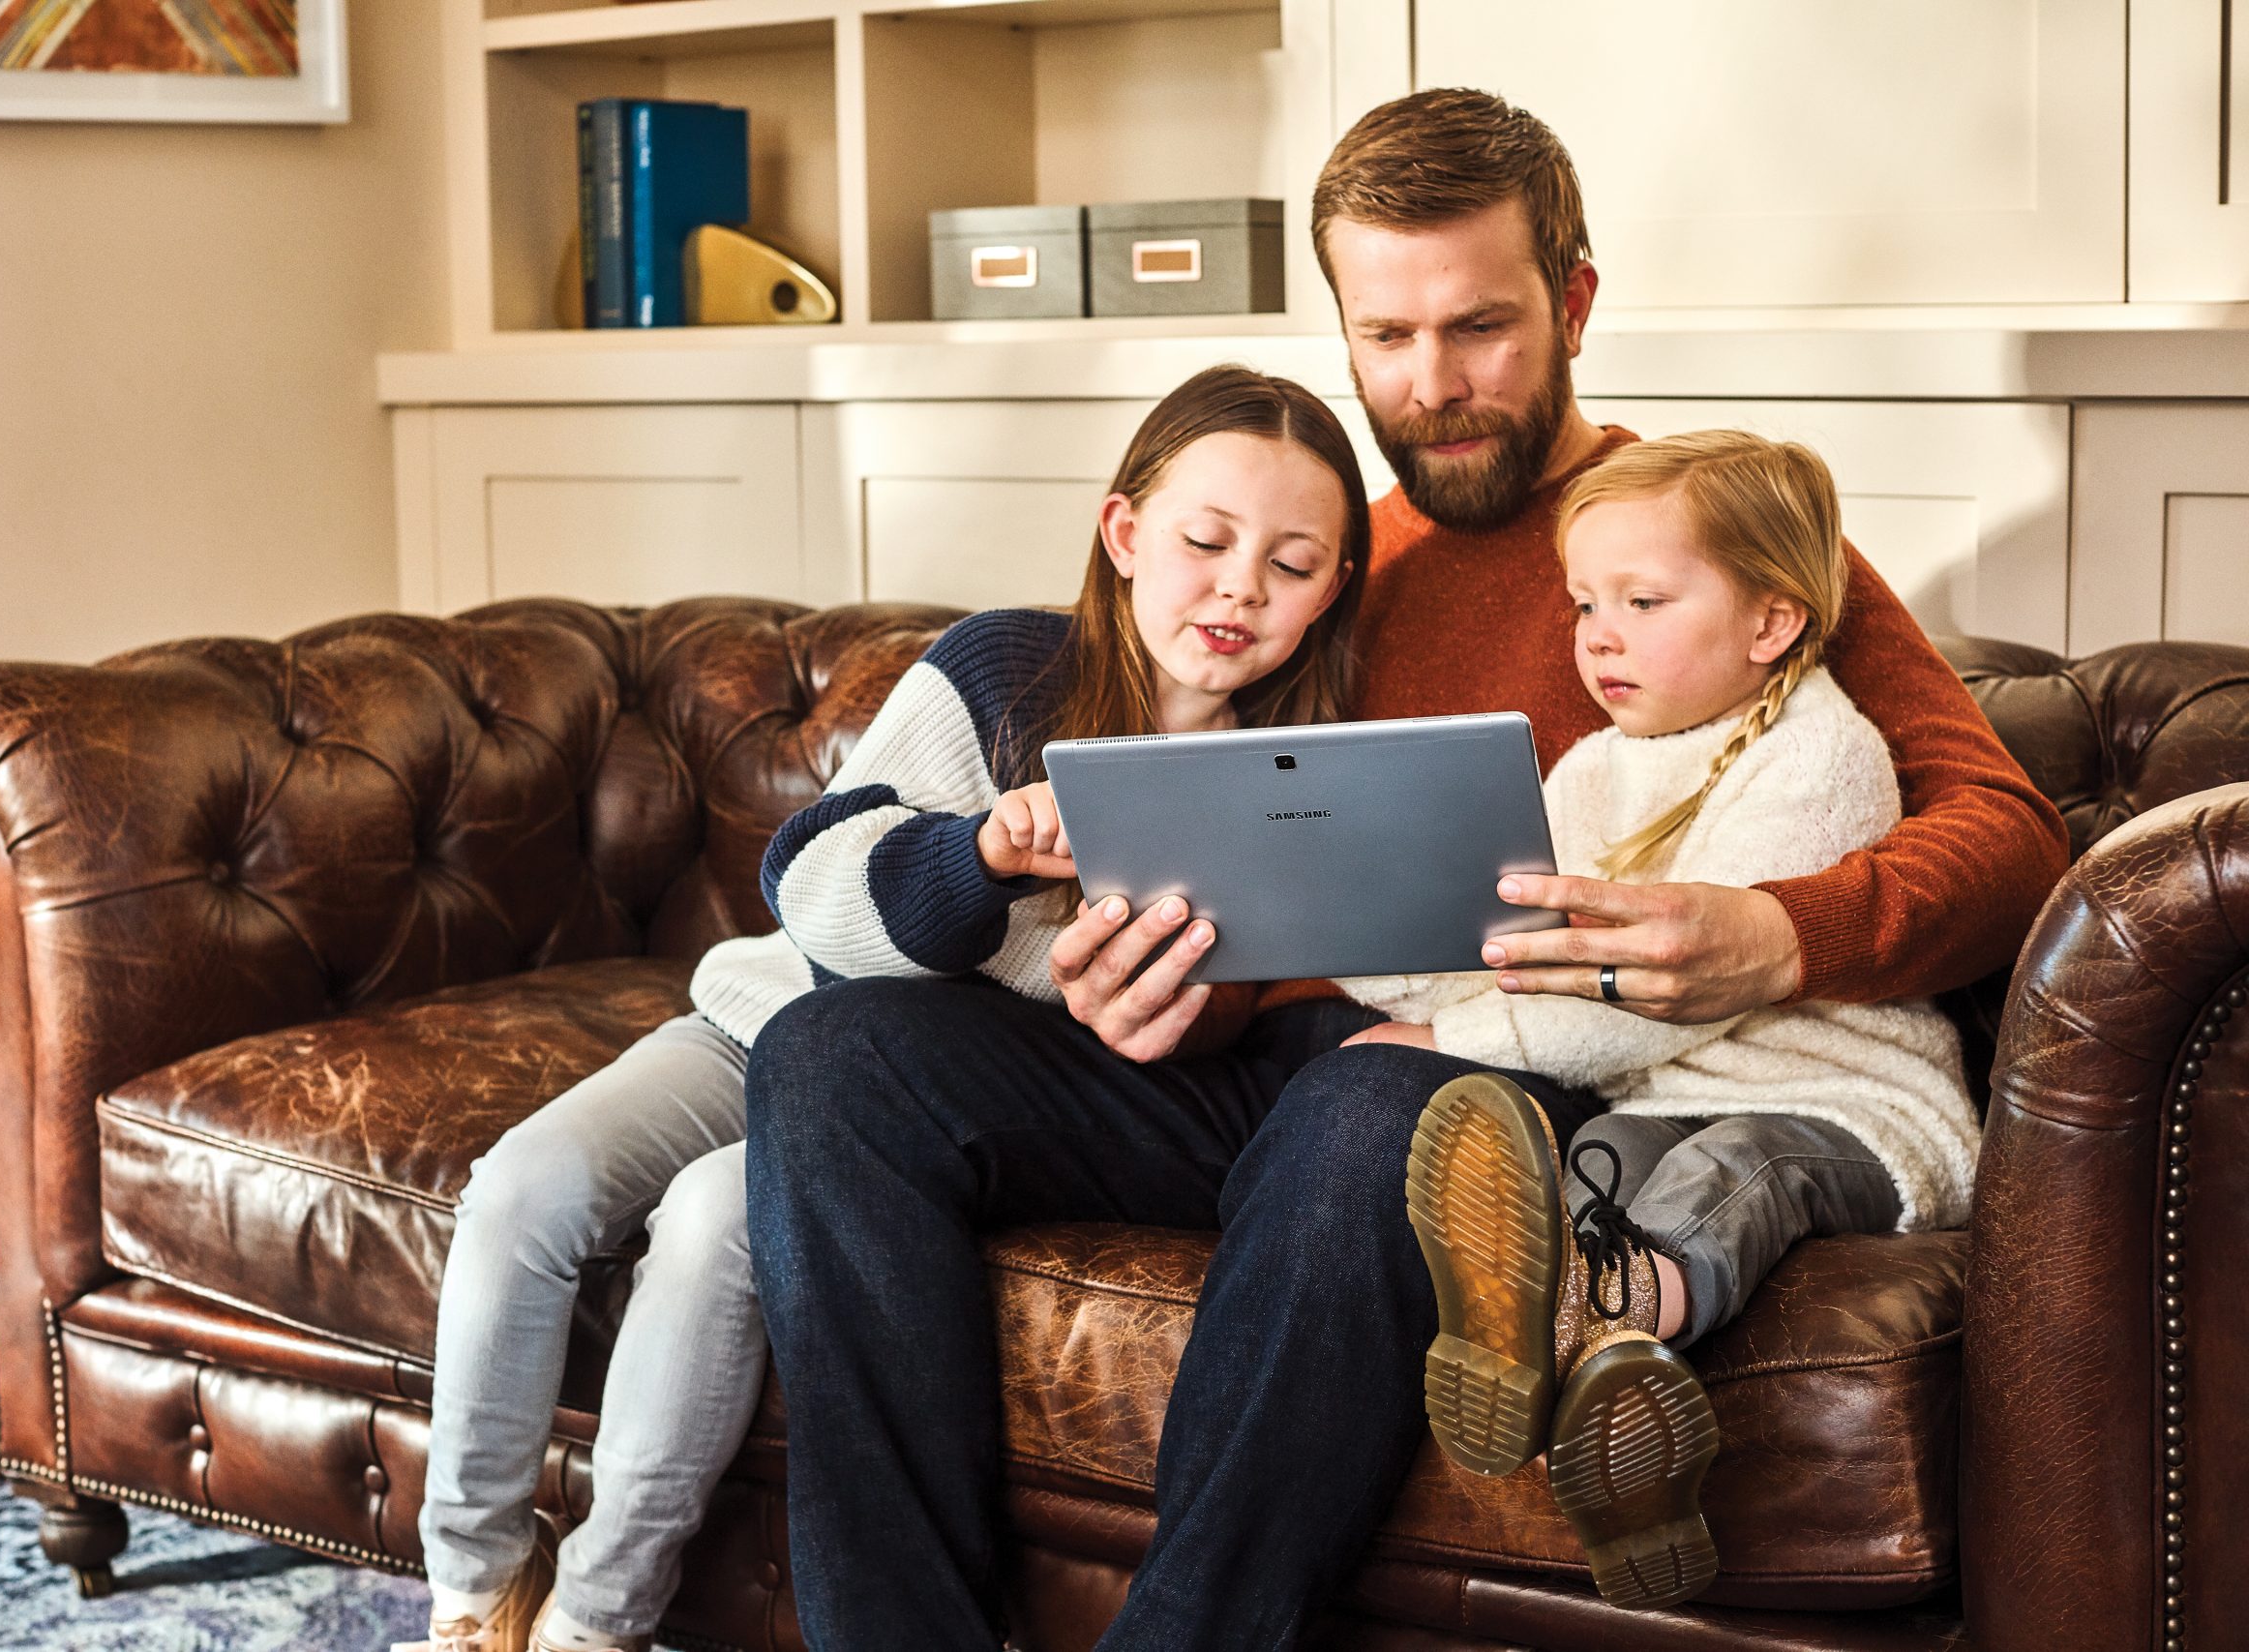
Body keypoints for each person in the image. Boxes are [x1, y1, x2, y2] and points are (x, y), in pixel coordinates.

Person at [744, 88, 2067, 1646]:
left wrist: (1772, 931)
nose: (1431, 387)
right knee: (833, 1056)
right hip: (1270, 1072)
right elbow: (1236, 861)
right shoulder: (1318, 566)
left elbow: (2006, 836)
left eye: (1480, 328)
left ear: (1574, 301)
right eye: (1385, 337)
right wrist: (1156, 992)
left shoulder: (1708, 549)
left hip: (1514, 1073)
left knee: (1376, 1106)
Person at [403, 363, 1370, 1652]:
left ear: (1334, 592)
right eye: (1206, 540)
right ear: (1126, 532)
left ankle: (592, 1618)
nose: (1243, 585)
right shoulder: (1008, 665)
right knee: (525, 1184)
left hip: (908, 1099)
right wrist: (974, 853)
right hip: (768, 1012)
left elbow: (1162, 1053)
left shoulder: (1278, 782)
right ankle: (471, 1593)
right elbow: (806, 874)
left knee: (709, 1223)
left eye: (1295, 564)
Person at [1352, 429, 1979, 1610]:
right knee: (1585, 1164)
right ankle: (1606, 1405)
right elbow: (1512, 953)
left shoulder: (1821, 756)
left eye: (1641, 600)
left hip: (1841, 1109)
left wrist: (1450, 1046)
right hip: (1669, 1097)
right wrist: (1368, 953)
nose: (1597, 633)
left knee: (1737, 1174)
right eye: (1585, 601)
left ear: (1771, 623)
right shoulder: (1592, 767)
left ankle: (1617, 1315)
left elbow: (1640, 1007)